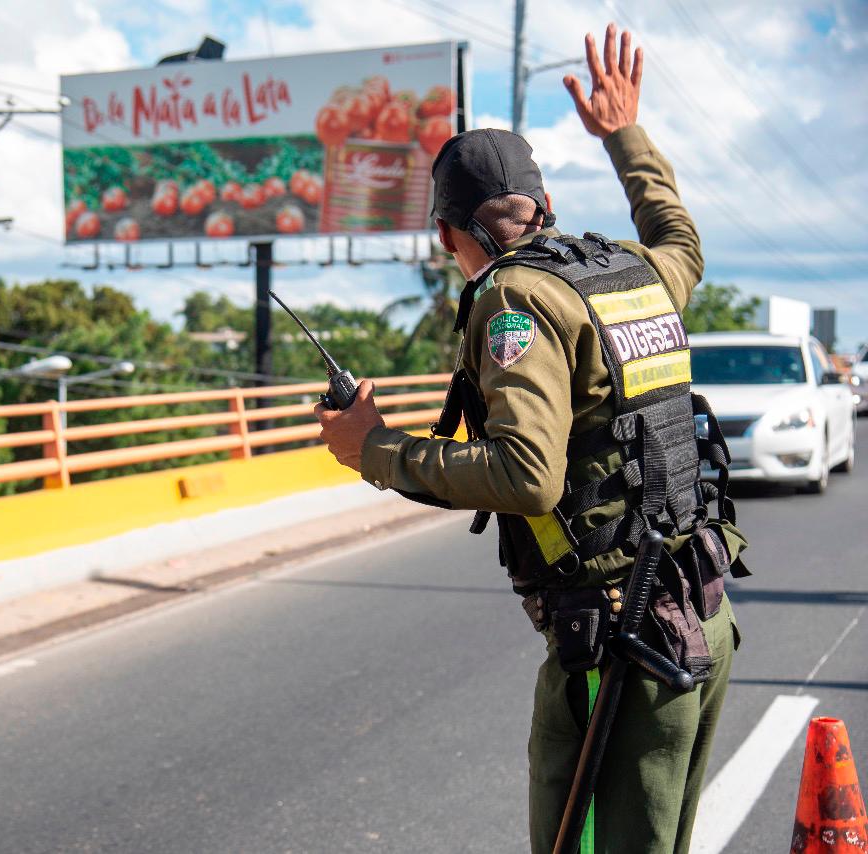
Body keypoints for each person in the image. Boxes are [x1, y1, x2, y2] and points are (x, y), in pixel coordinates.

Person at [313, 23, 750, 854]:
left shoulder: (514, 302)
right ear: (542, 207)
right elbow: (680, 238)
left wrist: (373, 449)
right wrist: (623, 132)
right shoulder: (631, 271)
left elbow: (527, 476)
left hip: (620, 648)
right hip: (701, 609)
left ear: (449, 236)